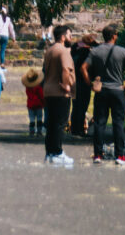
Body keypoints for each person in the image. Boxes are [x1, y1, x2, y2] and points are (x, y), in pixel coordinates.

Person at [84, 25, 125, 165]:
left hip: (101, 90)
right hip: (117, 90)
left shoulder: (95, 51)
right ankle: (120, 155)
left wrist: (90, 84)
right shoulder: (121, 51)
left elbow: (83, 68)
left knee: (100, 122)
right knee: (118, 123)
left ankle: (98, 154)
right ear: (114, 36)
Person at [42, 24, 76, 166]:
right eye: (69, 35)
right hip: (59, 92)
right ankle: (57, 152)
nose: (71, 38)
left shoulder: (49, 50)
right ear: (63, 37)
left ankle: (50, 152)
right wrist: (66, 84)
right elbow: (65, 69)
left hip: (48, 90)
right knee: (59, 123)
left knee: (50, 123)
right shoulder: (63, 51)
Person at [70, 33, 97, 136]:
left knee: (76, 105)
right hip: (83, 81)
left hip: (73, 80)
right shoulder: (86, 52)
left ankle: (74, 128)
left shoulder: (74, 48)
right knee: (83, 106)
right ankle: (80, 129)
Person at [22, 68, 45, 136]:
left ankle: (31, 131)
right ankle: (39, 131)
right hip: (38, 105)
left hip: (30, 105)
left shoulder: (28, 88)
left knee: (31, 119)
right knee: (39, 118)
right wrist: (44, 103)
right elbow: (42, 96)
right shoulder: (39, 88)